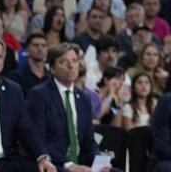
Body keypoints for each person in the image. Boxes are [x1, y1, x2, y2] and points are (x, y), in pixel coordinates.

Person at [26, 43, 110, 172]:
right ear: (52, 69)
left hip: (82, 163)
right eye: (63, 62)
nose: (71, 66)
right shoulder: (39, 95)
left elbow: (89, 141)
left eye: (74, 61)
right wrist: (69, 166)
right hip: (55, 164)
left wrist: (99, 162)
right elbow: (38, 141)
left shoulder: (83, 98)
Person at [0, 38, 55, 172]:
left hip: (7, 160)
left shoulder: (13, 90)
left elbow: (26, 129)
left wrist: (42, 157)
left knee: (41, 169)